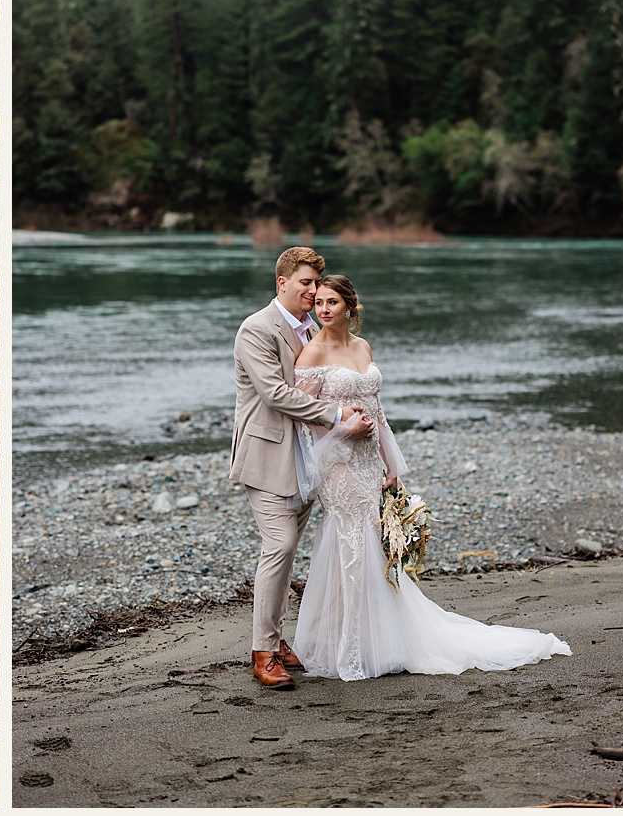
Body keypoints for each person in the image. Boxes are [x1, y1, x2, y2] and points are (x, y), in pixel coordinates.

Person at [288, 274, 572, 680]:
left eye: (332, 302)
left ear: (350, 307)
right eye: (319, 303)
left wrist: (389, 463)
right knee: (349, 542)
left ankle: (379, 636)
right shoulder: (312, 353)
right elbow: (304, 416)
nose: (324, 309)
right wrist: (342, 431)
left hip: (370, 462)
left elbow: (377, 408)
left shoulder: (362, 346)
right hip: (339, 463)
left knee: (375, 544)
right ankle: (346, 646)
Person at [231, 246, 367, 690]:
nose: (312, 291)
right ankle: (262, 652)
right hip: (268, 455)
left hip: (310, 459)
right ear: (282, 283)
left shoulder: (312, 327)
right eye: (305, 283)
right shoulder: (256, 329)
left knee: (289, 554)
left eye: (316, 284)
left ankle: (278, 638)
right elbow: (275, 394)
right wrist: (338, 416)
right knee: (281, 546)